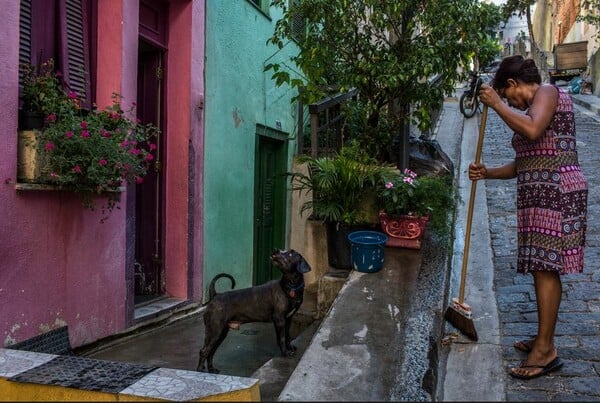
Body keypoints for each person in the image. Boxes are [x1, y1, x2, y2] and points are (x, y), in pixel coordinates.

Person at [469, 55, 588, 380]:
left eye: (510, 96)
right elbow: (529, 160)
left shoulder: (547, 92)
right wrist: (489, 173)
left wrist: (496, 104)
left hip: (557, 193)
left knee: (546, 269)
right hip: (540, 194)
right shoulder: (535, 104)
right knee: (541, 268)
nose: (513, 104)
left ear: (512, 84)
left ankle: (546, 350)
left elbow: (533, 130)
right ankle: (543, 337)